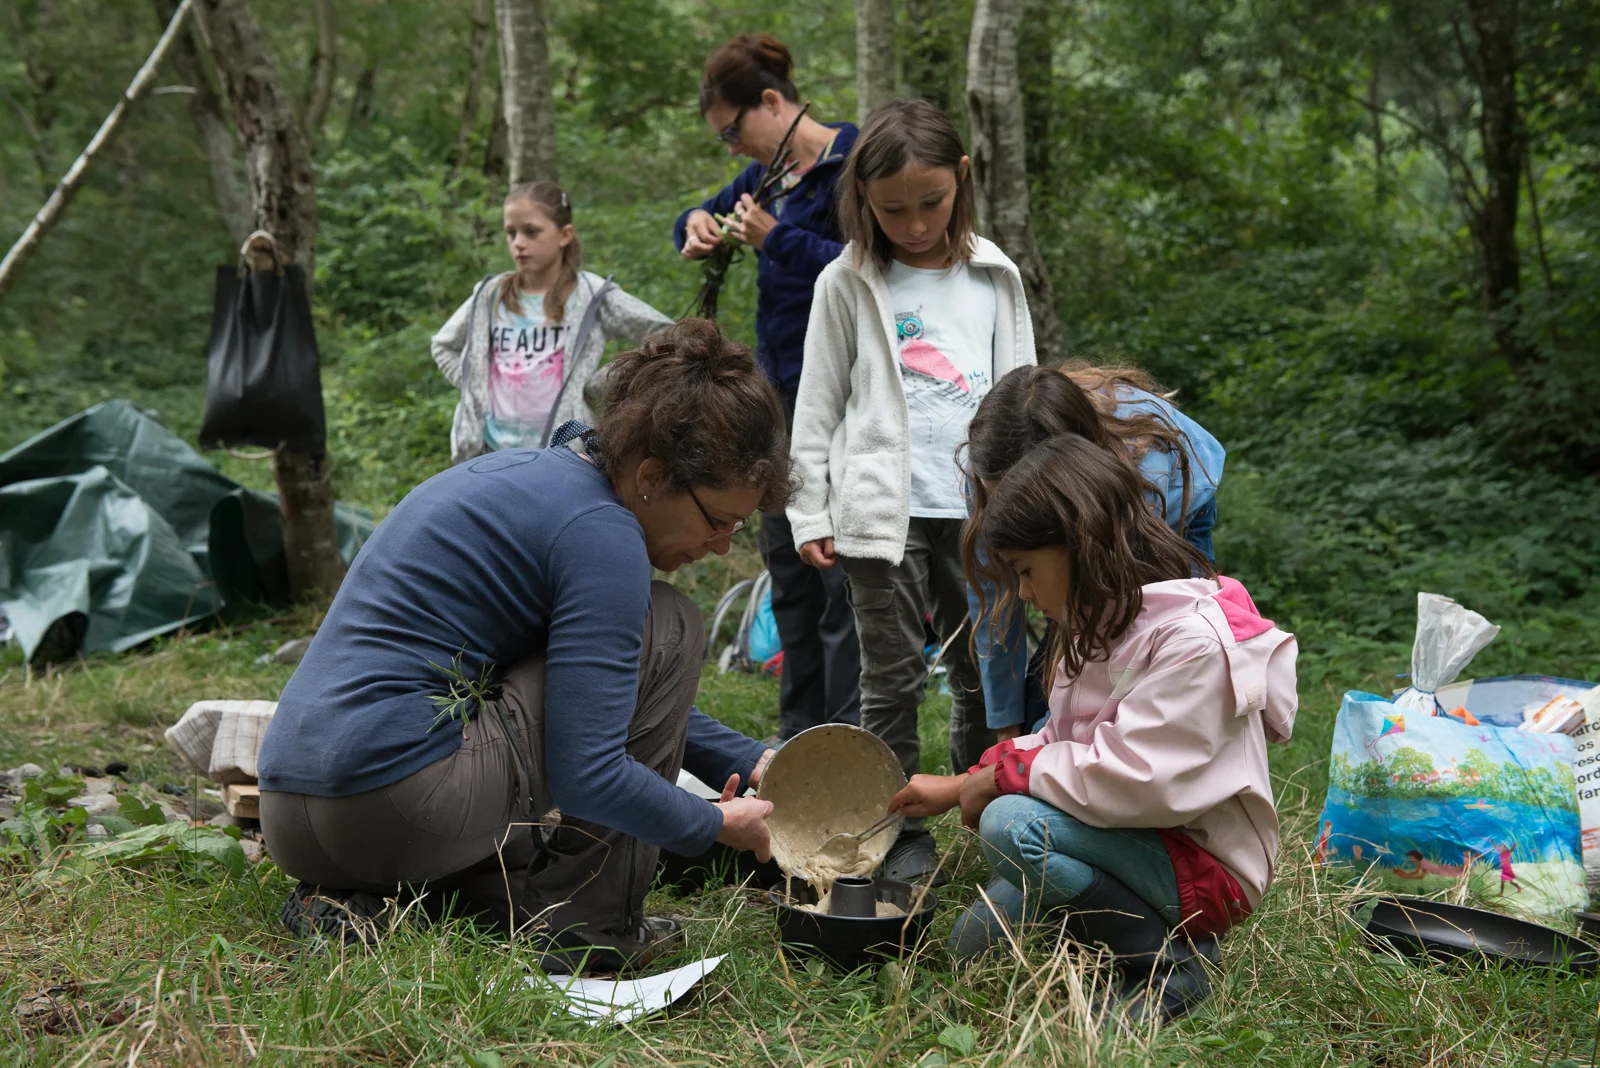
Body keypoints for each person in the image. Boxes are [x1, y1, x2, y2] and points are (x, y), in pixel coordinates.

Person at [258, 319, 785, 973]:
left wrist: (750, 760)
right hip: (394, 806)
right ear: (651, 474)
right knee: (672, 623)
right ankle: (592, 928)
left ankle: (368, 905)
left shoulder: (532, 481)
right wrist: (715, 825)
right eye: (718, 521)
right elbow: (588, 774)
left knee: (636, 649)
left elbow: (595, 684)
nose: (721, 546)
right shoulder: (604, 535)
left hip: (292, 814)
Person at [888, 436, 1298, 1021]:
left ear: (1079, 544)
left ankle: (1168, 966)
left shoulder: (1192, 644)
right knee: (968, 949)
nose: (1024, 592)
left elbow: (1134, 779)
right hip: (1132, 840)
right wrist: (972, 778)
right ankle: (1110, 930)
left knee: (1013, 826)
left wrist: (991, 784)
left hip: (1201, 867)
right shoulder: (1098, 624)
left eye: (1027, 571)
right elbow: (1063, 739)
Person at [787, 98, 1038, 884]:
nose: (915, 223)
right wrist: (808, 505)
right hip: (876, 516)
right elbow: (819, 401)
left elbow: (1022, 395)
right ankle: (893, 832)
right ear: (863, 200)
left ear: (961, 180)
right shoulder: (846, 281)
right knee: (889, 678)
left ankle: (981, 808)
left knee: (985, 671)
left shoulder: (994, 274)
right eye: (892, 209)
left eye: (931, 203)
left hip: (979, 514)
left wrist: (1029, 497)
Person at [674, 33, 861, 743]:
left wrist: (774, 240)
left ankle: (846, 737)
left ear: (774, 101)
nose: (730, 149)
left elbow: (867, 269)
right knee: (788, 565)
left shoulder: (853, 163)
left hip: (842, 397)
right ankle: (797, 733)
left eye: (732, 130)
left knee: (836, 569)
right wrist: (695, 224)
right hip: (777, 399)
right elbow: (698, 216)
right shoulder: (770, 173)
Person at [964, 365, 1227, 739]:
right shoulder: (990, 467)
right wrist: (1009, 729)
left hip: (1170, 505)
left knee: (1141, 661)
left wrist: (1061, 742)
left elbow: (1105, 621)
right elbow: (995, 604)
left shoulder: (1142, 477)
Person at [434, 180, 674, 464]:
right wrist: (476, 382)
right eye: (511, 233)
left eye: (531, 232)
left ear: (565, 235)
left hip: (563, 457)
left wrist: (601, 384)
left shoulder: (590, 296)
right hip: (489, 455)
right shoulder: (491, 294)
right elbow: (443, 346)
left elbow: (668, 334)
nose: (518, 243)